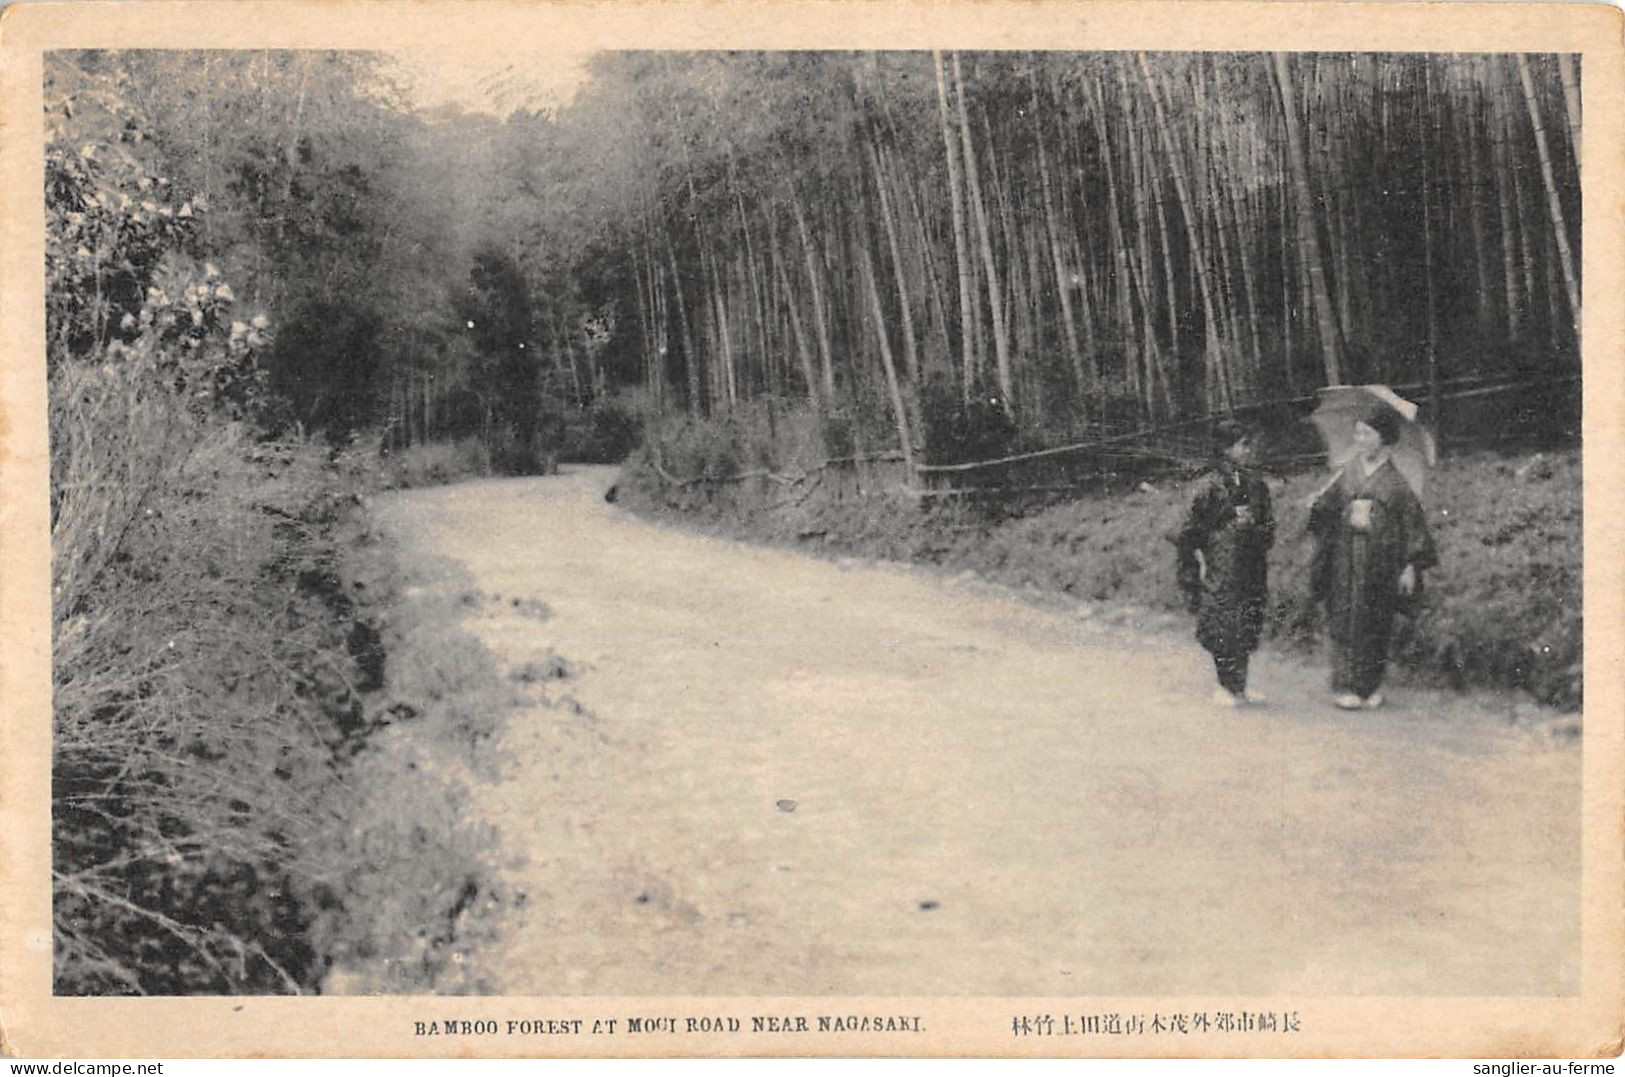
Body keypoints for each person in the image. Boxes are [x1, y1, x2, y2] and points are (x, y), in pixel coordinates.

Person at [1308, 405, 1438, 710]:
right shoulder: (1347, 473)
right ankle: (1345, 686)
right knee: (1343, 615)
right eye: (1358, 433)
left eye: (1366, 433)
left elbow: (1412, 525)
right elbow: (1325, 510)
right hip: (1345, 555)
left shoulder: (1397, 482)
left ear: (1383, 438)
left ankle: (1369, 686)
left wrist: (1410, 565)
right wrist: (1318, 504)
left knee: (1376, 618)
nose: (1360, 439)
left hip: (1381, 559)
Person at [1175, 420, 1276, 707]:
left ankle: (1239, 685)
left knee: (1247, 620)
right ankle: (1224, 684)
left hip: (1251, 564)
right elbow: (1189, 532)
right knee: (1223, 623)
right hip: (1222, 565)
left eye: (1248, 444)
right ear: (1225, 448)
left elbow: (1269, 527)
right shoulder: (1209, 487)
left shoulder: (1256, 485)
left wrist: (1254, 526)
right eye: (1242, 444)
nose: (1247, 450)